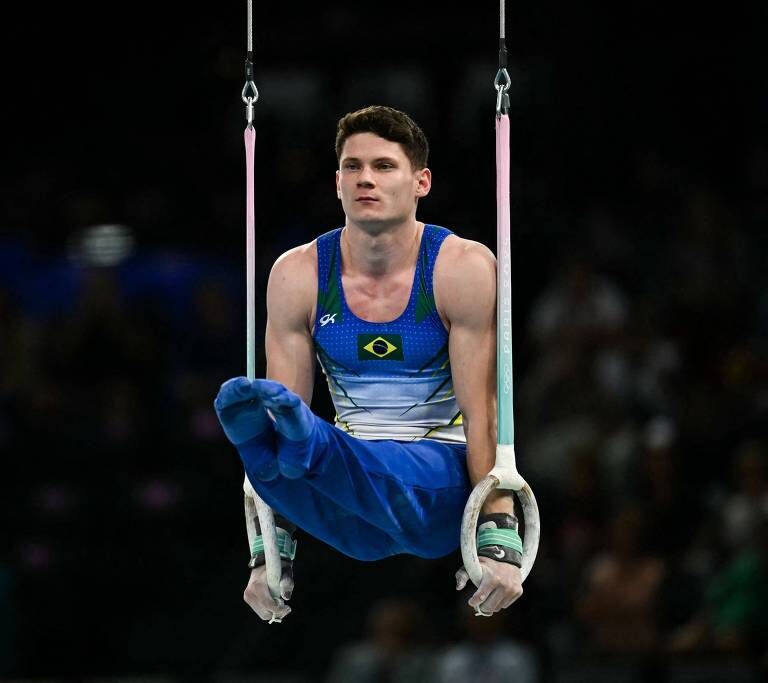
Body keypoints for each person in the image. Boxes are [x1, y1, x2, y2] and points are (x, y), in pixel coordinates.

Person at [214, 105, 523, 622]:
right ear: (336, 182)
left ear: (421, 181)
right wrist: (269, 553)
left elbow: (482, 411)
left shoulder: (461, 268)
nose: (365, 179)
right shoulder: (299, 274)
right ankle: (277, 444)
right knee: (279, 449)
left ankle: (293, 440)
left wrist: (498, 531)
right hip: (348, 497)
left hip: (436, 480)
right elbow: (286, 410)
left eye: (383, 166)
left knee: (303, 446)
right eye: (352, 167)